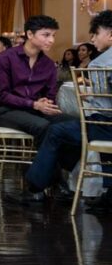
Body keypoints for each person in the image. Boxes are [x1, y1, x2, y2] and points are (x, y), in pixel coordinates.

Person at [21, 10, 112, 205]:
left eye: (96, 34)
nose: (92, 39)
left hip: (106, 127)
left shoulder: (101, 63)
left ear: (110, 35)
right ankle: (107, 193)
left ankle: (35, 189)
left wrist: (96, 100)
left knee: (56, 131)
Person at [0, 15, 75, 146]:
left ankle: (70, 166)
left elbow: (50, 94)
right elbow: (3, 95)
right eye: (46, 35)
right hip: (6, 111)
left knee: (74, 123)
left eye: (53, 35)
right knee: (44, 126)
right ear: (30, 34)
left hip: (36, 111)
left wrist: (46, 102)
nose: (51, 40)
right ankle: (48, 166)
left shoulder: (49, 64)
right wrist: (34, 104)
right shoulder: (5, 58)